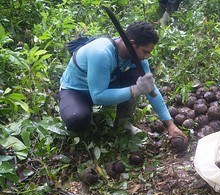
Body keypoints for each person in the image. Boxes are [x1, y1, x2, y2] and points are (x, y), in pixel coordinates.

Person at [58, 21, 187, 139]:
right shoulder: (101, 53)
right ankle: (82, 114)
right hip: (76, 91)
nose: (146, 57)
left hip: (103, 85)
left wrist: (170, 124)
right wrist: (135, 90)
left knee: (137, 75)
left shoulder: (138, 58)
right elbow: (98, 96)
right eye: (145, 52)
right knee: (77, 118)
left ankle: (123, 122)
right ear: (132, 44)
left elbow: (151, 88)